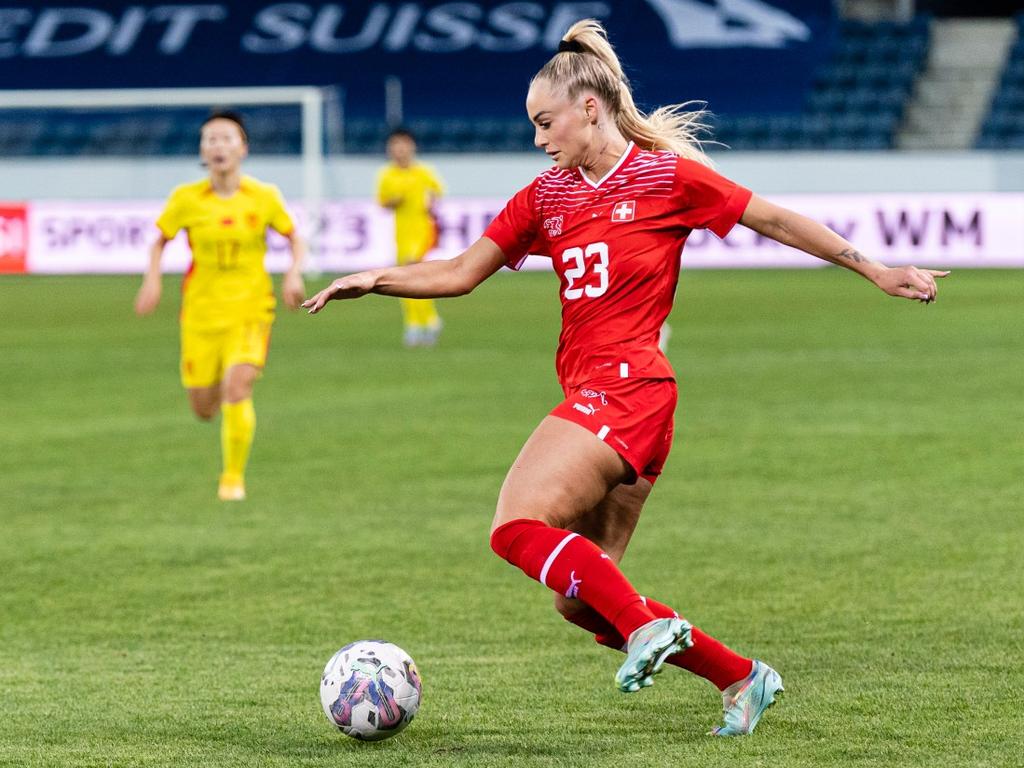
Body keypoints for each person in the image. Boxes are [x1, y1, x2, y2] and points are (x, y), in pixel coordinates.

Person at [303, 20, 947, 735]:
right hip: (622, 405)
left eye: (545, 122)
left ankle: (648, 628)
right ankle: (741, 676)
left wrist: (875, 268)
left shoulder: (665, 179)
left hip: (627, 391)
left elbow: (775, 220)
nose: (539, 138)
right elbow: (459, 271)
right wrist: (377, 279)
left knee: (515, 527)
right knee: (582, 600)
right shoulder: (545, 198)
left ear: (589, 107)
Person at [135, 110, 306, 501]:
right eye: (210, 139)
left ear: (243, 148)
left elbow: (295, 237)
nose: (218, 146)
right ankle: (222, 439)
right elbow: (160, 240)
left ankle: (232, 479)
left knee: (237, 385)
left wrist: (293, 273)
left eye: (227, 138)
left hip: (250, 308)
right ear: (202, 150)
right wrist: (153, 277)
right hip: (200, 314)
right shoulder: (186, 199)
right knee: (204, 407)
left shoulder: (264, 197)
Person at [376, 127, 445, 347]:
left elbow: (437, 193)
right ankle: (423, 322)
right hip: (401, 234)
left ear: (412, 146)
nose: (400, 149)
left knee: (411, 274)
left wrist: (430, 201)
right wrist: (393, 201)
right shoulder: (387, 175)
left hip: (422, 232)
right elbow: (383, 202)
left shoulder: (423, 172)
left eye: (404, 144)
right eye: (395, 145)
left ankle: (421, 324)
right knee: (405, 280)